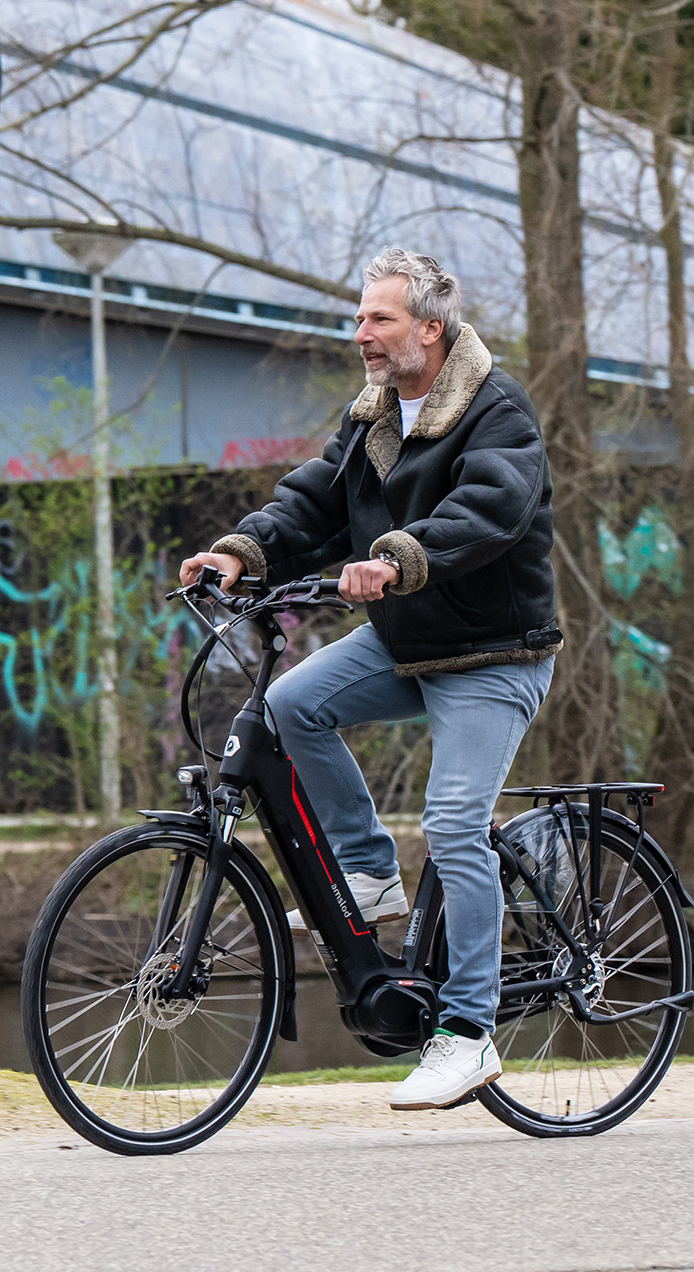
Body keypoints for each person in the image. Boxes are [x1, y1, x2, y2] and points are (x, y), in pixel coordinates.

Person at [178, 248, 560, 1111]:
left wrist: (396, 557)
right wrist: (241, 553)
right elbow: (313, 500)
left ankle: (467, 1033)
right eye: (359, 319)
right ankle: (367, 872)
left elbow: (491, 509)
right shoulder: (373, 415)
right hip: (408, 642)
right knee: (288, 706)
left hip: (496, 654)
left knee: (456, 822)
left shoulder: (495, 408)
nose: (362, 335)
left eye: (379, 320)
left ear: (430, 327)